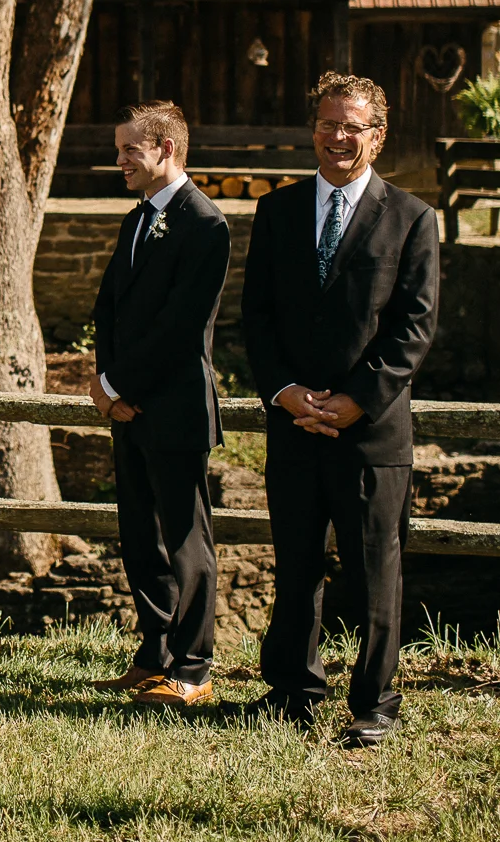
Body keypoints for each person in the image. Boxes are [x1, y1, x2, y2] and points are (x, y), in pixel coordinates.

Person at [242, 71, 439, 748]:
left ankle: (373, 705)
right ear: (314, 131)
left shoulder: (412, 218)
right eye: (327, 123)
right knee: (295, 565)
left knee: (372, 570)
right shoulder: (277, 212)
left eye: (352, 126)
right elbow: (255, 320)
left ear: (377, 137)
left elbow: (412, 327)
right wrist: (286, 393)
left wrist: (356, 400)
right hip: (293, 424)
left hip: (371, 434)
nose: (337, 137)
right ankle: (292, 692)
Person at [88, 100, 230, 710]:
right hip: (129, 406)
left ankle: (192, 666)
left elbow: (181, 327)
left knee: (185, 539)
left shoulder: (205, 224)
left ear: (166, 148)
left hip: (173, 407)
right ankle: (154, 653)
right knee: (138, 536)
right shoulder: (136, 219)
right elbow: (109, 307)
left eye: (129, 150)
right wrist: (105, 379)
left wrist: (122, 388)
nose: (119, 160)